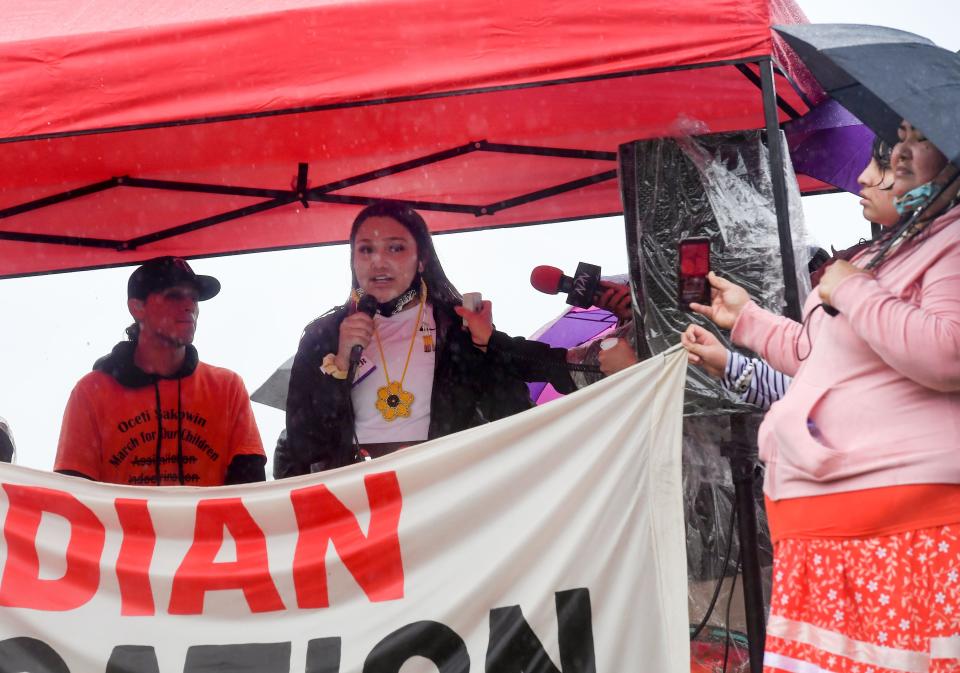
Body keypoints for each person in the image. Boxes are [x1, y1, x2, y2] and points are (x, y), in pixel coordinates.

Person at [686, 120, 960, 671]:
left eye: (896, 157)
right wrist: (745, 320)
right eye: (887, 152)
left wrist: (852, 288)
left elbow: (946, 353)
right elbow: (823, 357)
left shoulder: (950, 241)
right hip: (826, 526)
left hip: (898, 527)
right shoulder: (892, 251)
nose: (867, 174)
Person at [277, 201, 570, 477]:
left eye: (395, 248)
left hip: (443, 488)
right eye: (366, 250)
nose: (379, 262)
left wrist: (486, 346)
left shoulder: (457, 325)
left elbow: (511, 416)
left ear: (421, 259)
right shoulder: (324, 334)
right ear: (352, 261)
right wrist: (340, 364)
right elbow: (303, 445)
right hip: (358, 496)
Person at [683, 137, 899, 409]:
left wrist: (851, 289)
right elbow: (821, 371)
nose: (864, 177)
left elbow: (855, 392)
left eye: (886, 165)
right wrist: (731, 360)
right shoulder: (887, 260)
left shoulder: (935, 265)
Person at [55, 256, 266, 486]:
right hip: (122, 524)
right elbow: (73, 495)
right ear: (137, 307)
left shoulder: (228, 388)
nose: (189, 306)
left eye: (194, 298)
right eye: (173, 296)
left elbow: (250, 492)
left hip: (207, 524)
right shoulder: (92, 393)